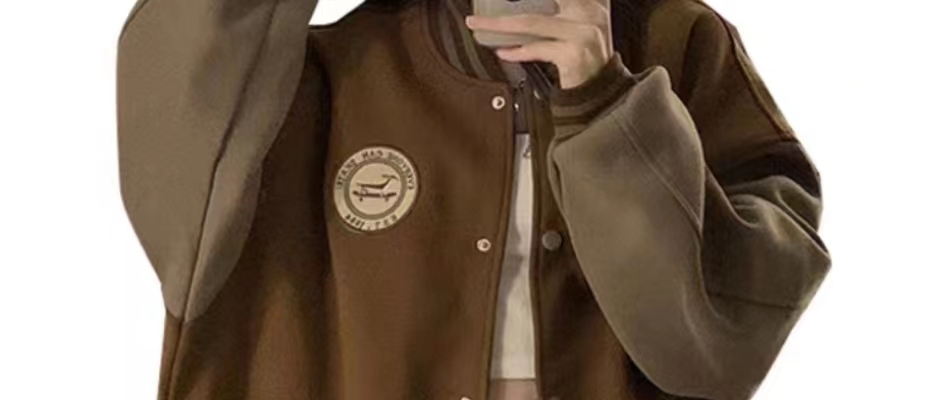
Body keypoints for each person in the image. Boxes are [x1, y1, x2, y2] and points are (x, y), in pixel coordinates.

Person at [115, 0, 831, 398]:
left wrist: (605, 102)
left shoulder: (681, 43)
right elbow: (182, 150)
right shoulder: (308, 73)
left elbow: (717, 350)